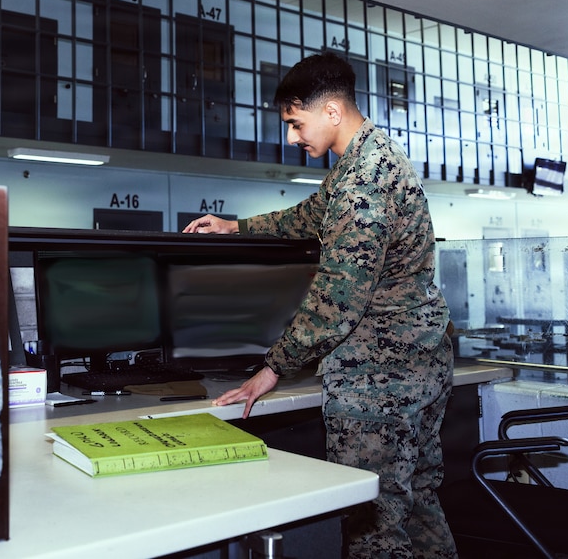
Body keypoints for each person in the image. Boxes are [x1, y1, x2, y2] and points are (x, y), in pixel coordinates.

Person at [183, 51, 457, 559]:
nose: (291, 138)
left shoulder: (361, 186)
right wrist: (239, 227)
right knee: (416, 503)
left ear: (331, 111)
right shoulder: (373, 155)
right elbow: (310, 214)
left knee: (372, 526)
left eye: (295, 122)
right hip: (421, 359)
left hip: (381, 378)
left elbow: (336, 301)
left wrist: (272, 368)